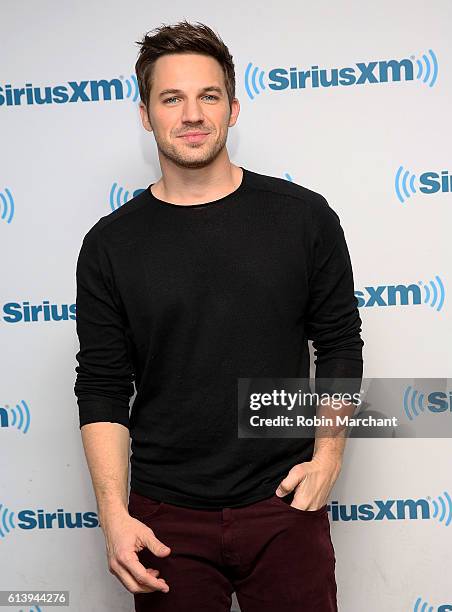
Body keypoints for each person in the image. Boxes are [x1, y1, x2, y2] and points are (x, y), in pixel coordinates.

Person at [73, 19, 364, 612]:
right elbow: (102, 387)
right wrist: (114, 516)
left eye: (208, 96)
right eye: (171, 98)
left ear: (233, 108)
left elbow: (338, 344)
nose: (191, 114)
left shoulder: (303, 219)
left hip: (284, 504)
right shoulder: (110, 245)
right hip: (164, 517)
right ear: (144, 113)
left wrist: (328, 458)